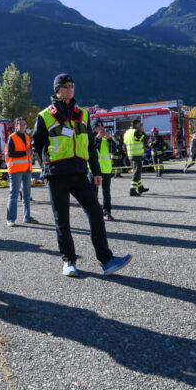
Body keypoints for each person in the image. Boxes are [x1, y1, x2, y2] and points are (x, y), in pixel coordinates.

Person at [33, 74, 132, 277]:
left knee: (96, 213)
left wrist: (96, 171)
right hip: (56, 174)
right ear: (57, 90)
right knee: (62, 221)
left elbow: (90, 147)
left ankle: (106, 261)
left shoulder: (83, 115)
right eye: (65, 86)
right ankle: (69, 261)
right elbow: (37, 145)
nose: (70, 89)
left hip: (80, 172)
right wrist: (45, 169)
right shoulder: (44, 116)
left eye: (72, 86)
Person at [5, 116, 38, 226]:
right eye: (21, 124)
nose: (23, 126)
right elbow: (10, 154)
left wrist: (30, 153)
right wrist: (25, 153)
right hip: (15, 170)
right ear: (16, 126)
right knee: (13, 195)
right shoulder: (12, 137)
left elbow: (27, 151)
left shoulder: (27, 137)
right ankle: (10, 219)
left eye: (25, 124)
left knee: (27, 195)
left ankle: (27, 217)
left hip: (27, 169)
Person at [93, 121, 116, 220]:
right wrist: (97, 138)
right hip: (94, 170)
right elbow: (91, 148)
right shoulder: (91, 138)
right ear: (94, 128)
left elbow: (114, 150)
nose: (101, 129)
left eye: (102, 127)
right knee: (93, 193)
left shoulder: (106, 140)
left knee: (106, 193)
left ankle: (107, 212)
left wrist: (110, 139)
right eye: (99, 127)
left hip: (106, 169)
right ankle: (94, 213)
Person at [124, 119, 150, 196]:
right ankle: (132, 190)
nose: (140, 126)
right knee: (137, 172)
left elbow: (124, 144)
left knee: (136, 171)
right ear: (136, 125)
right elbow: (145, 139)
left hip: (130, 154)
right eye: (140, 125)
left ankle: (140, 187)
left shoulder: (127, 132)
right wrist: (142, 131)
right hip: (136, 155)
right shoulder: (136, 132)